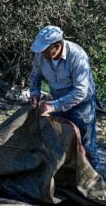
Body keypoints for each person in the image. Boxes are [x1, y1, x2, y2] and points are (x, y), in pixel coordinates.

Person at [28, 25, 100, 171]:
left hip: (82, 105)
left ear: (57, 46)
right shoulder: (40, 54)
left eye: (45, 50)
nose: (42, 53)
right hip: (56, 98)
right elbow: (35, 74)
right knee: (61, 141)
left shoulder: (77, 55)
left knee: (85, 145)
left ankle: (93, 181)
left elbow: (80, 91)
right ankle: (67, 177)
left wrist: (53, 106)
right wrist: (34, 92)